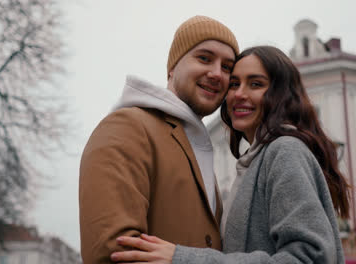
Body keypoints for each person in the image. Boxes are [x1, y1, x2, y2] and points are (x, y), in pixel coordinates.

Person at [110, 45, 351, 264]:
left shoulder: (285, 151)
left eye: (255, 84)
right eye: (234, 84)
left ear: (281, 95)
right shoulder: (256, 160)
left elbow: (310, 257)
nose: (238, 94)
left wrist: (183, 259)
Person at [78, 15, 239, 263]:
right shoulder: (128, 126)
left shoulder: (195, 144)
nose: (217, 73)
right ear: (173, 67)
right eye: (204, 58)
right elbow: (114, 252)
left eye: (227, 67)